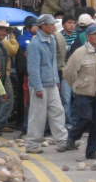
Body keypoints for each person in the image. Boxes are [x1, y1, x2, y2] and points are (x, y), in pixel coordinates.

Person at [63, 24, 96, 159]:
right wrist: (77, 85)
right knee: (86, 117)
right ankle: (72, 138)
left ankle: (91, 152)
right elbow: (68, 72)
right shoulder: (79, 53)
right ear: (88, 37)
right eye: (95, 34)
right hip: (83, 92)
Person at [25, 14, 69, 153]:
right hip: (41, 85)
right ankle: (32, 144)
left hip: (51, 83)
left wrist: (56, 80)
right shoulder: (35, 44)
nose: (54, 27)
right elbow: (33, 68)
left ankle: (62, 142)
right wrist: (38, 87)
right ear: (43, 26)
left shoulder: (52, 40)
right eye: (51, 24)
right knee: (37, 115)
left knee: (58, 111)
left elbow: (53, 63)